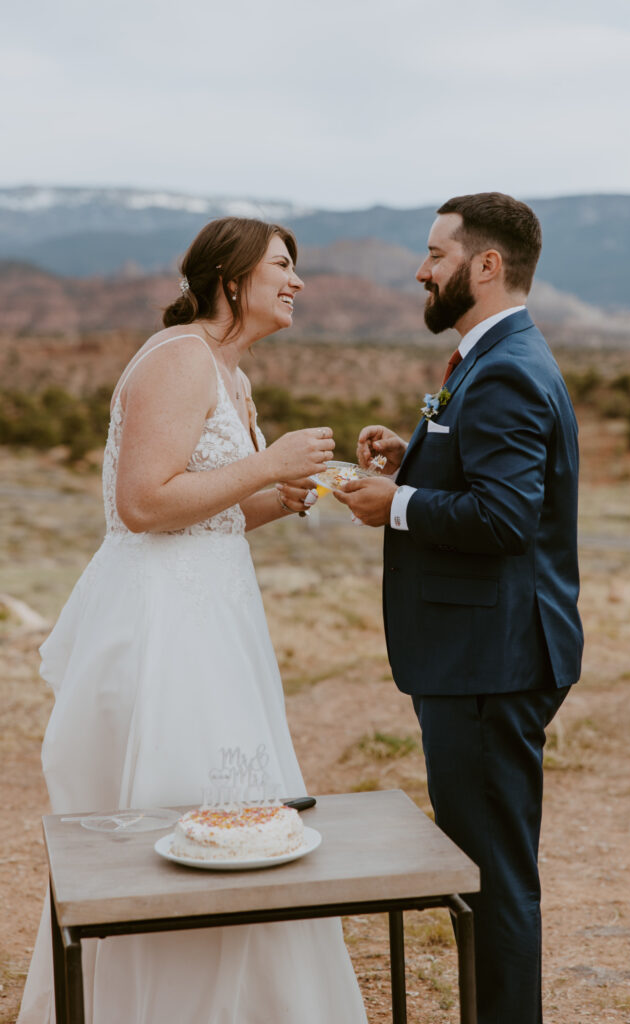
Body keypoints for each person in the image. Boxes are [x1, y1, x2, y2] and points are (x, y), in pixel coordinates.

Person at [18, 217, 367, 1023]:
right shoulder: (176, 359)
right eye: (284, 265)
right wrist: (267, 461)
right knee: (178, 814)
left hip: (216, 616)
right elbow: (141, 504)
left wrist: (277, 498)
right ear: (232, 277)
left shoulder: (230, 373)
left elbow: (205, 510)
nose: (298, 281)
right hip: (162, 627)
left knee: (240, 812)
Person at [334, 193, 583, 1024]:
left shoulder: (507, 364)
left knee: (492, 880)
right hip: (482, 654)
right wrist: (412, 464)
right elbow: (490, 480)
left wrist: (392, 506)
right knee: (483, 870)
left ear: (486, 265)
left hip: (490, 660)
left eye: (436, 254)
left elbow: (506, 520)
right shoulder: (492, 356)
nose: (419, 268)